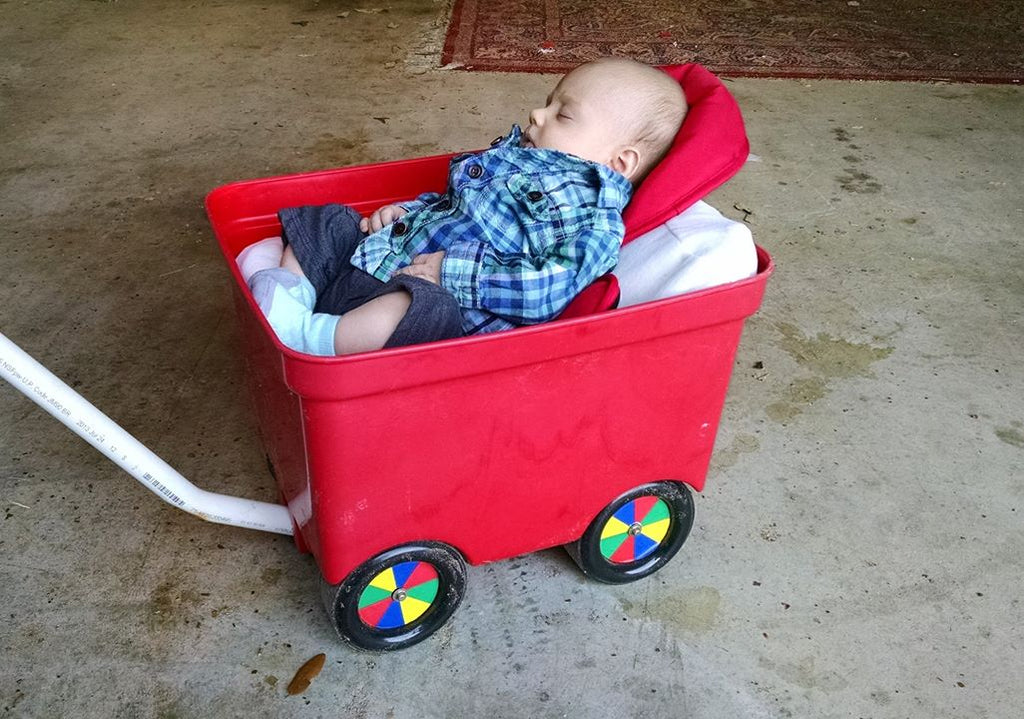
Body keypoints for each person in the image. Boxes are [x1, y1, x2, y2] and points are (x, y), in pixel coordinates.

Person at [238, 57, 687, 355]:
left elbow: (550, 290)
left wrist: (449, 273)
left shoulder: (590, 216)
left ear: (619, 161)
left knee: (425, 309)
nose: (537, 114)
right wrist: (403, 214)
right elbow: (453, 205)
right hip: (376, 261)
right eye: (549, 103)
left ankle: (309, 340)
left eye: (563, 114)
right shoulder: (516, 159)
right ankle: (291, 297)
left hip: (426, 305)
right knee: (326, 218)